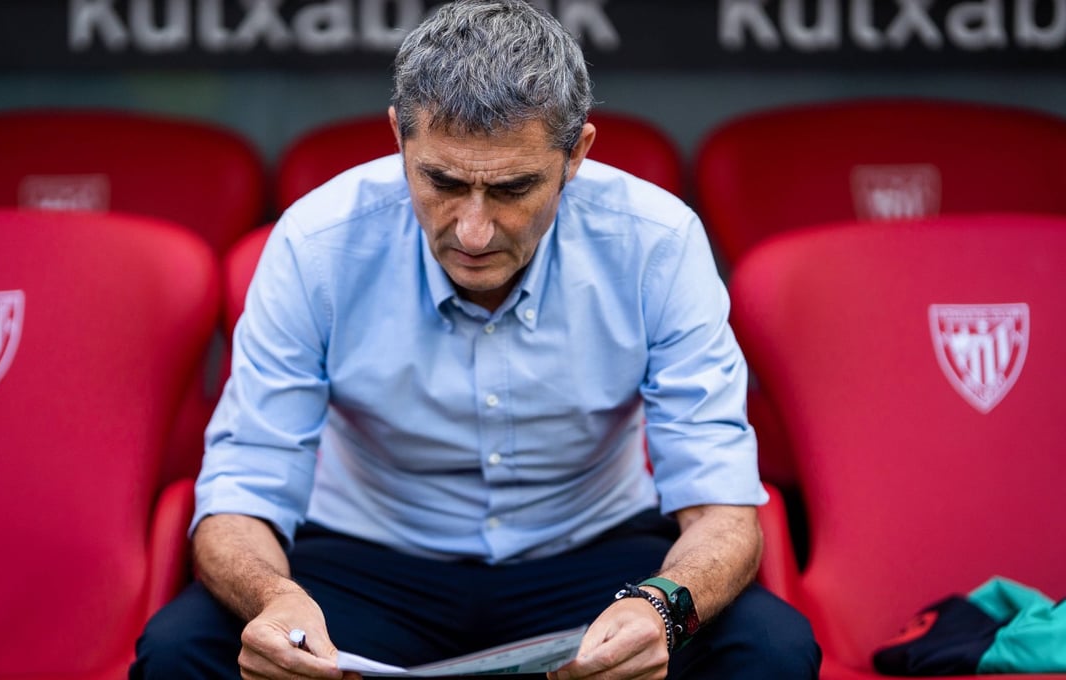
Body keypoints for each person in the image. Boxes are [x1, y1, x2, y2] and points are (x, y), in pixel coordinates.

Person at [132, 1, 820, 678]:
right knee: (181, 652)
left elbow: (723, 507)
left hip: (594, 548)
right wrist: (274, 600)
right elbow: (241, 492)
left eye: (514, 189)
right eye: (442, 182)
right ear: (399, 137)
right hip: (363, 556)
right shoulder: (317, 243)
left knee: (770, 650)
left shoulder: (656, 242)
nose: (473, 231)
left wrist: (663, 607)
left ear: (576, 154)